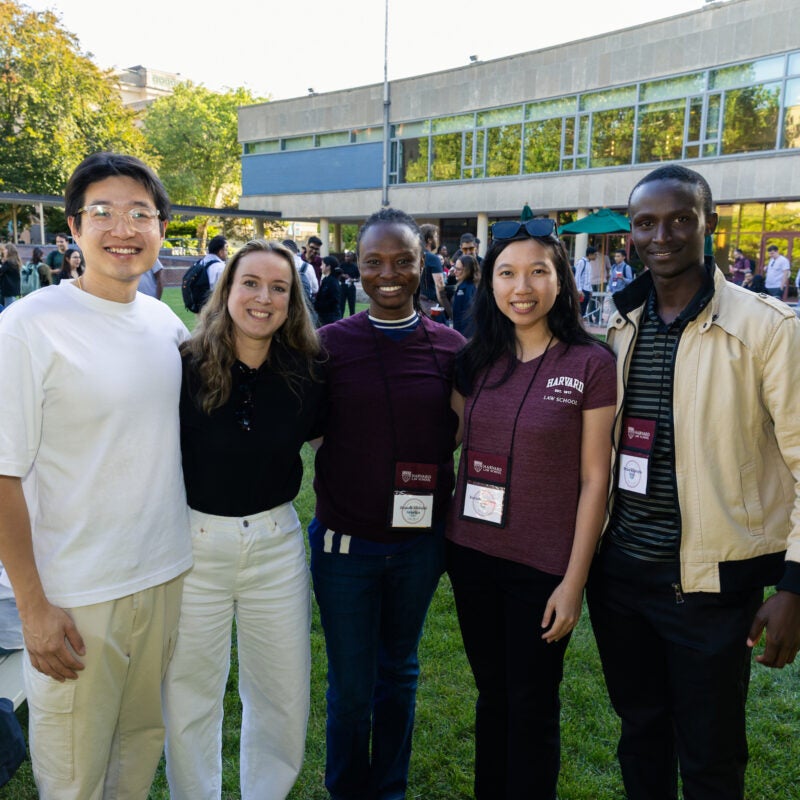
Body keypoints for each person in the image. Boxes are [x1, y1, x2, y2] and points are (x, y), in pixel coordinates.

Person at [587, 164, 800, 800]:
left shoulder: (769, 328)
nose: (663, 235)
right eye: (646, 222)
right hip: (621, 576)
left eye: (681, 219)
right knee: (640, 737)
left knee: (710, 757)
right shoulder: (619, 322)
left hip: (709, 589)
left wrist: (795, 583)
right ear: (630, 234)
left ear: (708, 225)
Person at [0, 152, 192, 799]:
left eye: (141, 213)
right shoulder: (29, 327)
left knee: (137, 757)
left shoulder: (165, 323)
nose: (123, 228)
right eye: (103, 212)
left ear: (161, 228)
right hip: (76, 598)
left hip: (162, 578)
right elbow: (2, 474)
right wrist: (33, 609)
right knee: (75, 778)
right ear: (74, 230)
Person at [446, 217, 616, 799]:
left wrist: (574, 583)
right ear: (490, 283)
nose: (523, 286)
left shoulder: (591, 364)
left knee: (532, 703)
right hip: (470, 553)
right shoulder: (474, 361)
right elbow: (447, 441)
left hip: (543, 567)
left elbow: (597, 479)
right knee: (492, 695)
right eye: (508, 273)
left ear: (561, 281)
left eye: (538, 272)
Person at [310, 208, 465, 800]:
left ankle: (390, 789)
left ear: (423, 262)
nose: (389, 273)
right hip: (345, 545)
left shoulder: (453, 346)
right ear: (359, 268)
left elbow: (457, 427)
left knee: (399, 674)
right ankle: (348, 790)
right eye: (374, 262)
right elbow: (316, 429)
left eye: (403, 260)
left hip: (419, 547)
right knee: (351, 686)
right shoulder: (328, 345)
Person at [163, 239, 324, 800]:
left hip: (276, 546)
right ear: (226, 289)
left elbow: (336, 443)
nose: (263, 297)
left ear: (292, 299)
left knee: (281, 692)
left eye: (278, 287)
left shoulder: (309, 369)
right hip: (193, 544)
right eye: (250, 283)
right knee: (189, 693)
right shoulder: (183, 363)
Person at [444, 254, 479, 338]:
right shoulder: (471, 285)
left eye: (458, 269)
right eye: (455, 267)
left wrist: (460, 337)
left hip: (464, 335)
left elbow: (466, 316)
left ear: (467, 271)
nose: (455, 271)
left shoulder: (464, 288)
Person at [418, 222, 446, 320]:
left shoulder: (413, 257)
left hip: (415, 309)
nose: (437, 239)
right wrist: (450, 312)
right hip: (432, 310)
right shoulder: (433, 258)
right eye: (436, 236)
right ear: (429, 240)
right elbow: (440, 290)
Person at [315, 254, 343, 326]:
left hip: (330, 319)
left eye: (322, 264)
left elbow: (334, 300)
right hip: (324, 317)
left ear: (328, 266)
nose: (321, 267)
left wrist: (319, 306)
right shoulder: (326, 280)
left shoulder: (333, 282)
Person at [573, 245, 596, 316]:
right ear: (590, 254)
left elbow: (588, 279)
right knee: (579, 310)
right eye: (595, 255)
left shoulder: (589, 263)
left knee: (583, 310)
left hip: (587, 290)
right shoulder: (582, 262)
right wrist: (579, 290)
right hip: (582, 290)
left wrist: (590, 290)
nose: (596, 256)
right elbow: (577, 276)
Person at [339, 250, 360, 317]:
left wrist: (352, 279)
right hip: (343, 287)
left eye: (348, 256)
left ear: (352, 257)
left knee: (352, 306)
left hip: (351, 287)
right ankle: (340, 321)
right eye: (346, 256)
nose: (346, 258)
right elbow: (337, 273)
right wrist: (343, 275)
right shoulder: (342, 265)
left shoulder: (355, 267)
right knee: (341, 306)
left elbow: (358, 278)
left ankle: (352, 322)